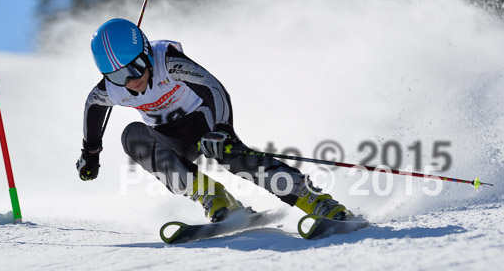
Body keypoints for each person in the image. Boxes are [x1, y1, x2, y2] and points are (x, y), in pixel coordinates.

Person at [77, 18, 351, 222]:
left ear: (146, 53)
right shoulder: (110, 90)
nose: (130, 81)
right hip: (167, 136)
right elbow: (93, 108)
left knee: (233, 157)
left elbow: (213, 88)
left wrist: (222, 129)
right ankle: (213, 195)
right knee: (132, 136)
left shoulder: (167, 60)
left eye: (134, 69)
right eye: (116, 76)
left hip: (202, 121)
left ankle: (313, 200)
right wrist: (90, 154)